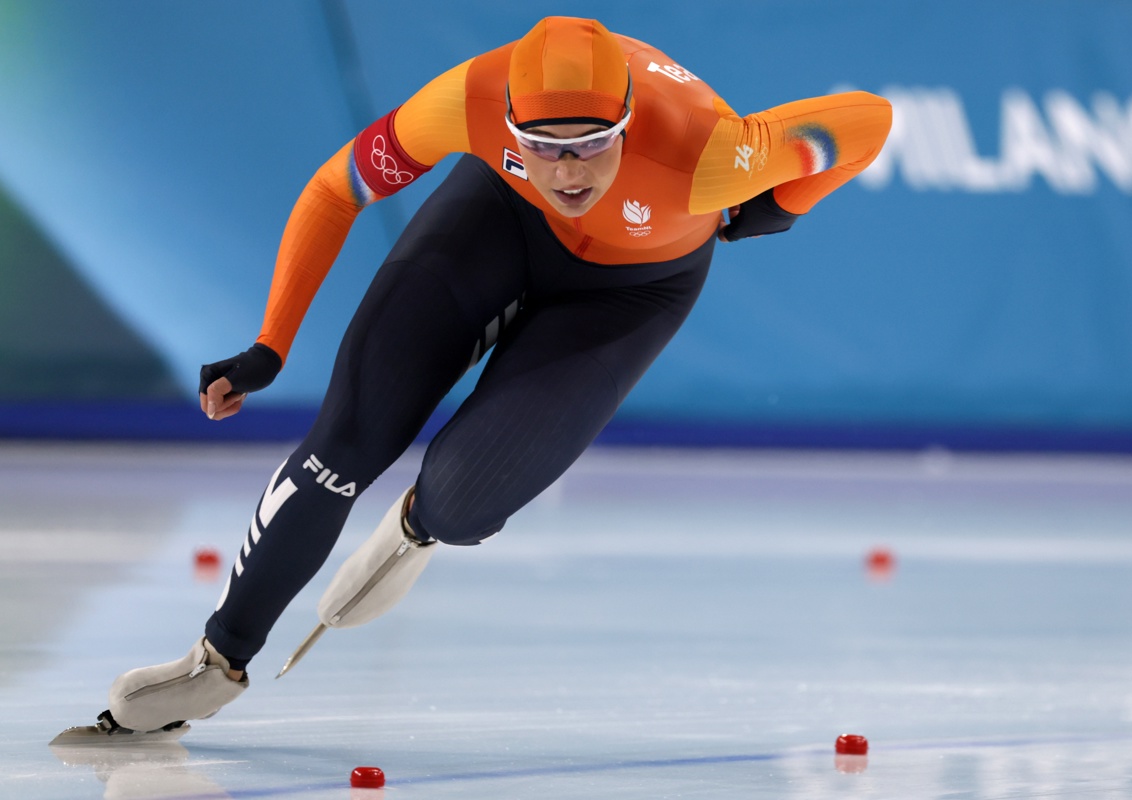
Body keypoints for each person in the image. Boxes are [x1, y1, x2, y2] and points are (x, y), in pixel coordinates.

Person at [56, 16, 891, 741]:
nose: (569, 173)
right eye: (545, 148)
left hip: (629, 292)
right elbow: (331, 190)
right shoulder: (467, 97)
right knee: (346, 440)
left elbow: (870, 120)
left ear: (631, 125)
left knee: (462, 497)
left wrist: (784, 203)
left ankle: (421, 526)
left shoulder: (712, 151)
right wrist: (270, 344)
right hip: (496, 224)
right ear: (511, 122)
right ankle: (218, 657)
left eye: (594, 146)